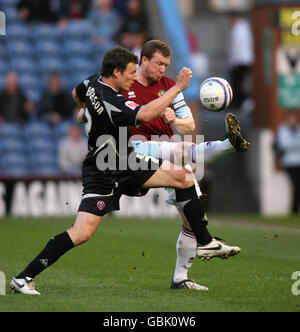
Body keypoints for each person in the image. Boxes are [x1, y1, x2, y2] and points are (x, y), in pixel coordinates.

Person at [10, 46, 240, 295]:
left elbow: (77, 95)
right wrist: (177, 88)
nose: (133, 78)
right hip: (105, 170)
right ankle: (23, 277)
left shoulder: (92, 82)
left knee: (183, 176)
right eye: (130, 73)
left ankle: (204, 242)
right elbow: (146, 114)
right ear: (116, 71)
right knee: (82, 232)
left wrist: (85, 114)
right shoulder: (113, 102)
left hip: (128, 161)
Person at [78, 41, 248, 290]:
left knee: (192, 214)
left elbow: (189, 125)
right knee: (181, 151)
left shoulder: (169, 87)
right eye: (158, 63)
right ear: (143, 61)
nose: (162, 69)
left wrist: (175, 117)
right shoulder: (125, 82)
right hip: (133, 150)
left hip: (164, 150)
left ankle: (181, 277)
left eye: (166, 65)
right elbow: (98, 103)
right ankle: (227, 145)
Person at [228, 12, 254, 111]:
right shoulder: (244, 27)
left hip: (240, 61)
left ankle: (244, 103)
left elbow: (237, 47)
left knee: (238, 84)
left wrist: (232, 61)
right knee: (239, 84)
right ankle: (241, 103)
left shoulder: (239, 29)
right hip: (245, 60)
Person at [277, 111, 300, 214]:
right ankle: (294, 210)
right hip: (289, 163)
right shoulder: (283, 129)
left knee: (298, 186)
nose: (292, 121)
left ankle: (295, 210)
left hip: (298, 162)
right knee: (296, 185)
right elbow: (284, 144)